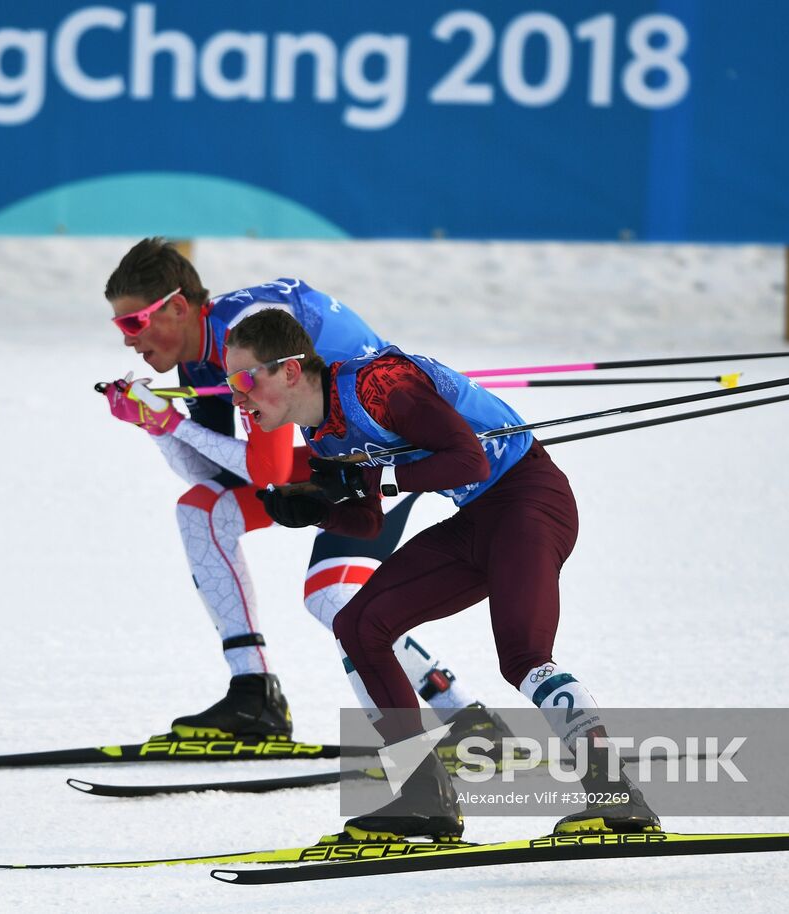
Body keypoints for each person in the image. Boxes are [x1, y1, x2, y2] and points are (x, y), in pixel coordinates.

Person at [221, 307, 661, 841]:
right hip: (477, 520)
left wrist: (375, 478)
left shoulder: (378, 384)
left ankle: (617, 797)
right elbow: (366, 522)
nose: (236, 397)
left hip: (529, 501)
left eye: (246, 380)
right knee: (359, 624)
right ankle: (424, 795)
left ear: (290, 370)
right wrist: (316, 508)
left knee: (522, 657)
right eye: (229, 383)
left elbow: (470, 460)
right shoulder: (321, 436)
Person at [101, 238, 489, 740]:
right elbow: (210, 473)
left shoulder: (248, 339)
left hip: (383, 454)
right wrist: (156, 425)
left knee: (333, 595)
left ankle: (463, 716)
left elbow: (266, 472)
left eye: (134, 323)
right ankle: (254, 695)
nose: (129, 341)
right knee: (203, 510)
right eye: (119, 327)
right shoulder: (201, 357)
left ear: (176, 307)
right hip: (328, 457)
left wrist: (171, 421)